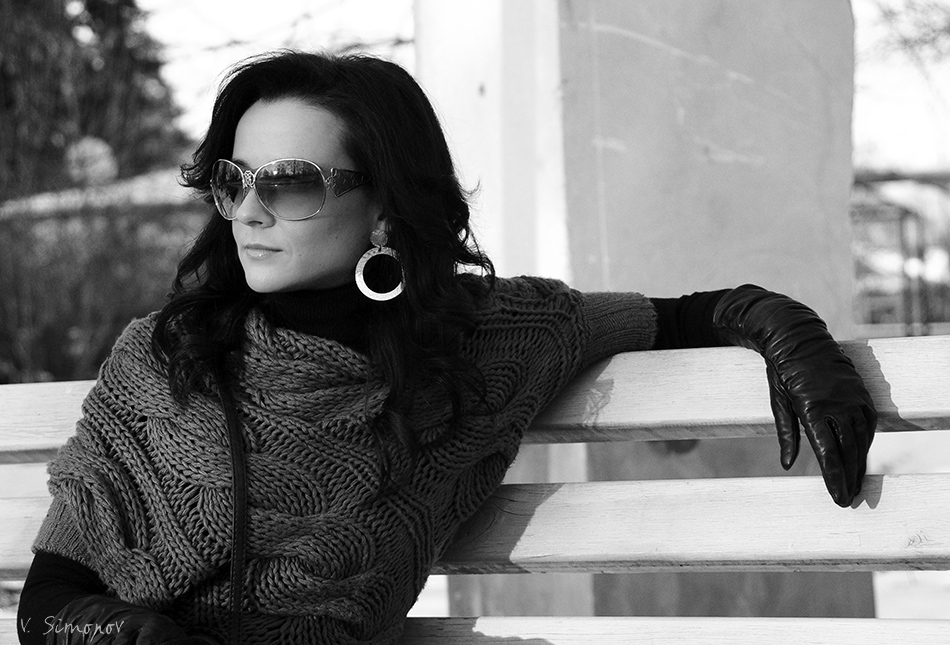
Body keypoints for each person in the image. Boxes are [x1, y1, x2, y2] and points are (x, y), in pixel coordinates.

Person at [18, 50, 876, 645]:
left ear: (384, 206)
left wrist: (782, 328)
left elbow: (684, 314)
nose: (248, 210)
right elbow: (48, 599)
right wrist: (124, 630)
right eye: (232, 179)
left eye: (289, 183)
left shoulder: (487, 339)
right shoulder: (164, 358)